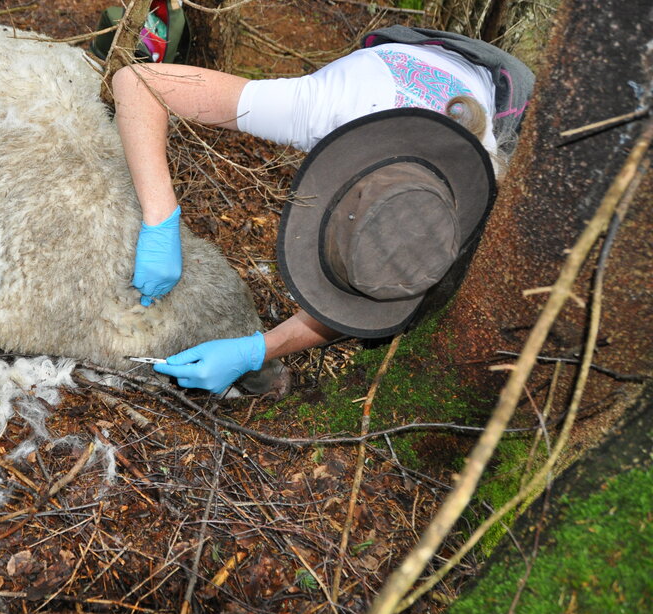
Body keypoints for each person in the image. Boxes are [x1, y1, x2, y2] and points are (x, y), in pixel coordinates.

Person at [111, 25, 534, 395]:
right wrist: (159, 218)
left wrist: (257, 350)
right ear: (333, 171)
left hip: (499, 92)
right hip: (390, 63)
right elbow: (141, 82)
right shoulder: (322, 105)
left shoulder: (482, 196)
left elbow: (391, 284)